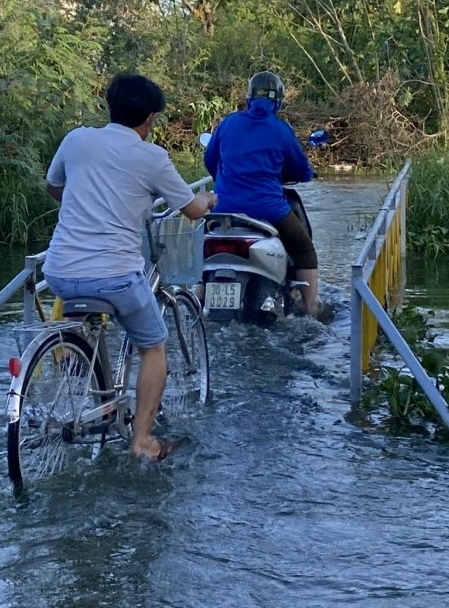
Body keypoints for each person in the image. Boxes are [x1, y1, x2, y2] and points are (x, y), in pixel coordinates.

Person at [43, 73, 217, 462]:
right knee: (153, 347)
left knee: (90, 319)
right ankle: (142, 440)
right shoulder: (152, 157)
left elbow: (54, 187)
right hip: (116, 276)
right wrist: (206, 198)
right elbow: (190, 210)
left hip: (58, 271)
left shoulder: (77, 139)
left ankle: (96, 395)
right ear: (151, 119)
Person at [202, 70, 321, 319]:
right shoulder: (281, 130)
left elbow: (210, 159)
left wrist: (224, 182)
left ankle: (199, 293)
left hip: (224, 207)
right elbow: (301, 169)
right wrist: (308, 174)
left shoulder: (228, 123)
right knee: (304, 250)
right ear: (278, 102)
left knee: (203, 249)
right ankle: (312, 312)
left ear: (248, 98)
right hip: (267, 209)